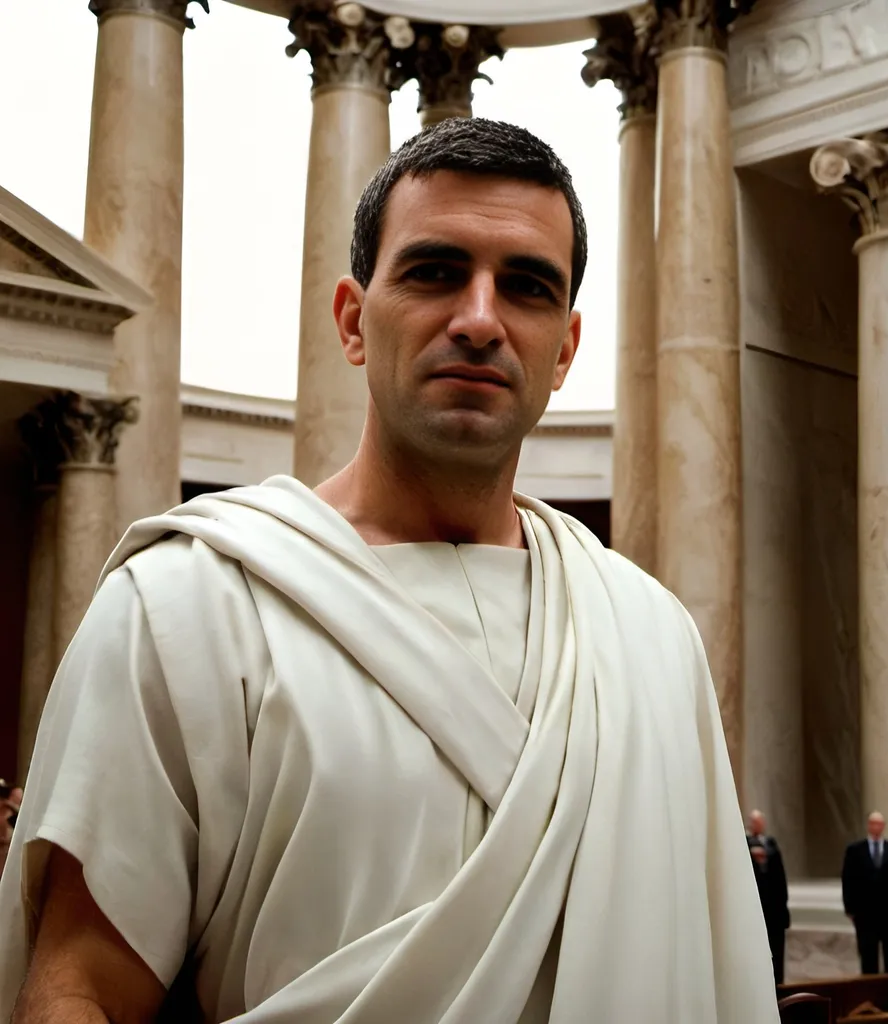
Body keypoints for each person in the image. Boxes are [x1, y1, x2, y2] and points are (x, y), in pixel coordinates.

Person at [0, 118, 779, 1023]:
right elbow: (78, 983)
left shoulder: (652, 635)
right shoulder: (186, 604)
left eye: (525, 287)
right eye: (435, 272)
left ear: (564, 350)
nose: (480, 320)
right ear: (351, 320)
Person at [842, 811, 888, 974]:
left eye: (879, 823)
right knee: (868, 959)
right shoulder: (854, 851)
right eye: (872, 823)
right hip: (865, 914)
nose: (875, 827)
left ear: (883, 826)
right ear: (868, 825)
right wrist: (849, 908)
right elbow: (847, 880)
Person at [746, 810, 790, 984]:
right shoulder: (744, 844)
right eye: (754, 822)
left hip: (775, 911)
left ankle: (779, 983)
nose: (757, 825)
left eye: (759, 821)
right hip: (756, 909)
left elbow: (781, 878)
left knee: (777, 952)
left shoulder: (771, 844)